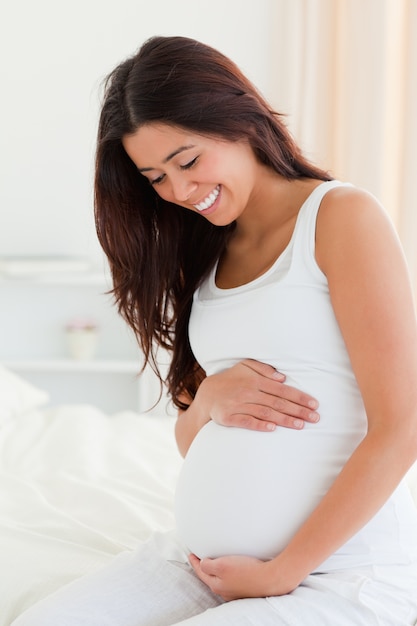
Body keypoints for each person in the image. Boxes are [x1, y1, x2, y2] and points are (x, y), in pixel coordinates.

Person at [13, 35, 417, 626]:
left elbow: (401, 427)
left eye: (187, 160)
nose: (178, 191)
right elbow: (190, 440)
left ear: (240, 122)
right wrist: (204, 404)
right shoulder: (201, 253)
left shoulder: (339, 218)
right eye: (154, 177)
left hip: (337, 568)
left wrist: (284, 571)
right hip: (200, 564)